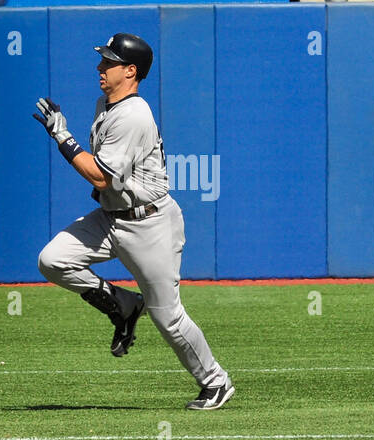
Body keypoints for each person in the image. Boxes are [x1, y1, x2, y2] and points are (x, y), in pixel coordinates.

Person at [34, 33, 235, 411]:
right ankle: (124, 306)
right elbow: (111, 181)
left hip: (149, 225)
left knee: (168, 318)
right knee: (53, 259)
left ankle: (216, 381)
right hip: (112, 219)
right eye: (102, 60)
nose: (100, 67)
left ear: (130, 71)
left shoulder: (133, 115)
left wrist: (63, 137)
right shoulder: (105, 104)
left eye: (108, 62)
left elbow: (100, 176)